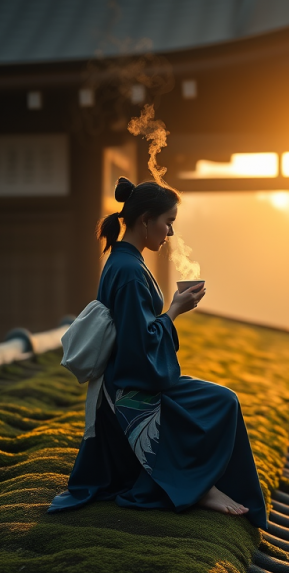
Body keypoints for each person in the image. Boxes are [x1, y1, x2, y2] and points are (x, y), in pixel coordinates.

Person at [48, 177, 267, 529]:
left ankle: (203, 485)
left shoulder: (123, 262)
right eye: (168, 223)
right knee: (223, 402)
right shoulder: (131, 272)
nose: (169, 233)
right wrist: (175, 310)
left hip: (127, 375)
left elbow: (139, 338)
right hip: (129, 386)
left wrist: (168, 315)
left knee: (219, 400)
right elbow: (139, 347)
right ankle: (202, 488)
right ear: (146, 219)